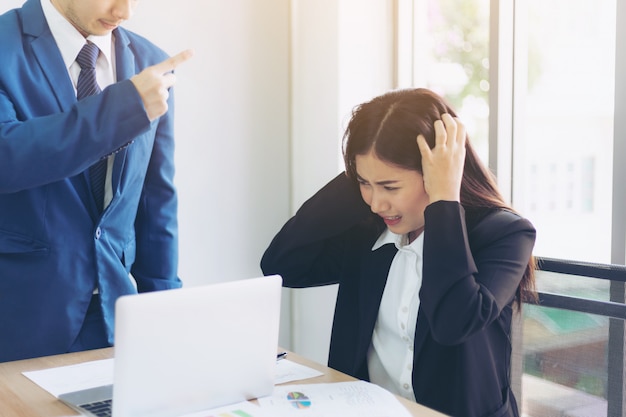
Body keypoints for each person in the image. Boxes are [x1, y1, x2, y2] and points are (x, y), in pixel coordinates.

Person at [261, 88, 537, 417]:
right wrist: (362, 175)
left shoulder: (505, 234)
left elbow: (454, 323)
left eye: (390, 187)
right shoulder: (370, 230)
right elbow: (283, 265)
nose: (377, 204)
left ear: (439, 170)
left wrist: (444, 200)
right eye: (365, 184)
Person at [0, 0, 193, 362]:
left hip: (116, 320)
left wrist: (165, 309)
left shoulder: (150, 62)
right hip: (20, 322)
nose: (125, 12)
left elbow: (156, 201)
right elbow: (7, 158)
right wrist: (123, 108)